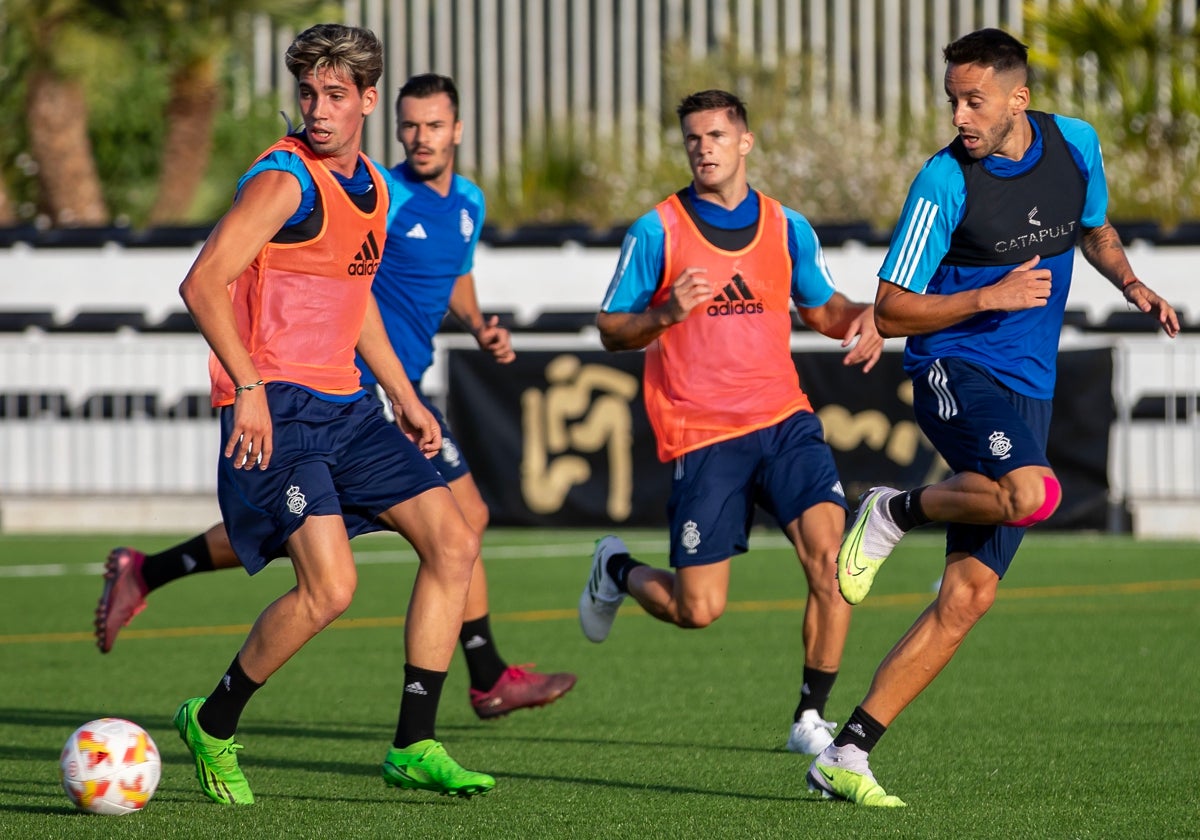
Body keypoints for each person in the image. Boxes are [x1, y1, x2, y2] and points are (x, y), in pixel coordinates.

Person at [94, 73, 576, 722]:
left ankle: (147, 573)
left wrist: (478, 323)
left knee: (344, 534)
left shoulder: (467, 202)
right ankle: (485, 675)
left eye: (434, 125)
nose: (420, 137)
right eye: (411, 125)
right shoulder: (381, 192)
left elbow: (452, 274)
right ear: (391, 121)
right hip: (339, 386)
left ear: (457, 130)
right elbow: (336, 286)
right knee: (437, 530)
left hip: (387, 388)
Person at [808, 28, 1180, 808]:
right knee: (1034, 493)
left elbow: (1094, 229)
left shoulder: (1075, 146)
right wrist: (987, 296)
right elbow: (893, 308)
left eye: (974, 100)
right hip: (953, 366)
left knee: (968, 597)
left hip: (1029, 387)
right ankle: (894, 507)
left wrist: (1131, 283)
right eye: (952, 100)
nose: (960, 117)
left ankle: (849, 750)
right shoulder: (943, 183)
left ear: (1020, 98)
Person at [169, 25, 497, 805]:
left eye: (335, 96)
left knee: (454, 539)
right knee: (331, 589)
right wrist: (246, 390)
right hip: (277, 408)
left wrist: (406, 398)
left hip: (348, 405)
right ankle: (213, 722)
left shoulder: (378, 191)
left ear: (368, 100)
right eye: (309, 94)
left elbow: (354, 310)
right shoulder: (284, 181)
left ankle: (414, 742)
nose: (317, 110)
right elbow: (203, 281)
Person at [583, 89, 884, 756]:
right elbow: (609, 329)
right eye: (693, 137)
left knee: (834, 567)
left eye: (717, 135)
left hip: (784, 421)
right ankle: (617, 569)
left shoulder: (786, 228)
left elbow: (824, 308)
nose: (703, 147)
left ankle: (810, 717)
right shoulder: (657, 231)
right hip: (704, 433)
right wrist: (664, 315)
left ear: (745, 142)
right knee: (700, 610)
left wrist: (871, 316)